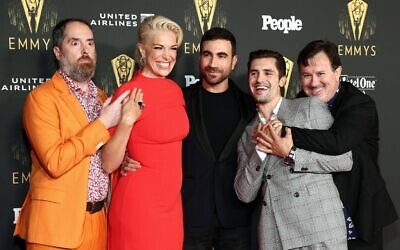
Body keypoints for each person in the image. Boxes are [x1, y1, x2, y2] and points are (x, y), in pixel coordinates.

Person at [260, 40, 398, 250]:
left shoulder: (359, 104)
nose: (314, 82)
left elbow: (337, 142)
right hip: (315, 222)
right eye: (307, 75)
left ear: (338, 72)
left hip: (356, 211)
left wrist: (286, 134)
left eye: (320, 73)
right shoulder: (297, 105)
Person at [13, 18, 129, 250]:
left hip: (99, 223)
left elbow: (103, 158)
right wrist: (102, 123)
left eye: (90, 43)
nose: (85, 50)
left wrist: (123, 160)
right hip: (56, 227)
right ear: (58, 51)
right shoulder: (41, 98)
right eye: (75, 43)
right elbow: (55, 161)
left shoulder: (103, 98)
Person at [234, 49, 353, 250]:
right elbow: (244, 194)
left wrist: (290, 153)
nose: (259, 79)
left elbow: (344, 161)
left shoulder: (308, 108)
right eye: (254, 73)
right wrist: (260, 152)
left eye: (268, 73)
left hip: (319, 228)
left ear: (282, 80)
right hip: (275, 235)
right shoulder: (248, 134)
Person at [102, 15, 189, 250]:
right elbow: (108, 163)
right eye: (158, 47)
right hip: (138, 206)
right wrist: (126, 122)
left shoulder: (174, 90)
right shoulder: (128, 92)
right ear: (142, 50)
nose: (167, 56)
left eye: (173, 48)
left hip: (172, 207)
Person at [182, 27, 256, 250]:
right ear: (200, 56)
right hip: (191, 212)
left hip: (236, 214)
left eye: (221, 55)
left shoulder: (250, 106)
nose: (213, 63)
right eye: (207, 54)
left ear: (234, 61)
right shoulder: (180, 100)